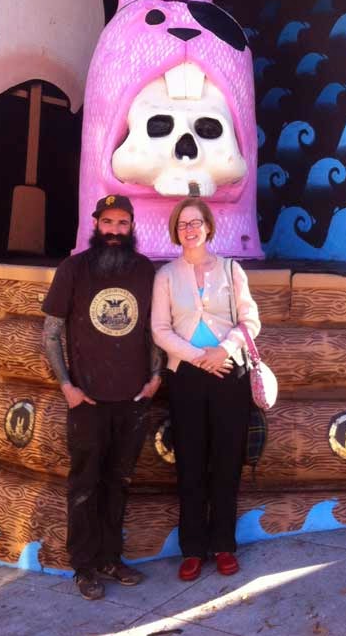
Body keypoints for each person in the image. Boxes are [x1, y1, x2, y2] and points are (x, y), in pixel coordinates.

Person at [41, 195, 162, 600]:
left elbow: (153, 329)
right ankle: (83, 566)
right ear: (95, 225)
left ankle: (111, 558)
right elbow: (51, 334)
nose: (114, 230)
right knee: (85, 484)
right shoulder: (73, 269)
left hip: (133, 400)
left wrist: (155, 377)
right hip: (87, 401)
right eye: (107, 222)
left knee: (119, 482)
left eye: (122, 223)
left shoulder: (145, 270)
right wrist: (67, 387)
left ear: (132, 227)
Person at [151, 198, 261, 581]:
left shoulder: (232, 270)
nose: (190, 229)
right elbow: (159, 330)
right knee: (191, 462)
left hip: (228, 372)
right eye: (183, 224)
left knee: (227, 459)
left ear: (209, 227)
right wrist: (200, 357)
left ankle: (224, 544)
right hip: (187, 375)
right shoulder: (166, 276)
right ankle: (193, 549)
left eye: (196, 222)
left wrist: (224, 350)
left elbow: (250, 320)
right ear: (175, 231)